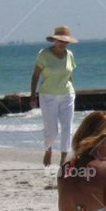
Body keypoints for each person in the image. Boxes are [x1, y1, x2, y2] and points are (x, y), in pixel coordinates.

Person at [30, 26, 78, 167]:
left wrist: (74, 90)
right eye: (60, 40)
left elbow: (69, 75)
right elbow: (35, 76)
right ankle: (48, 149)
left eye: (66, 41)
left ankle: (64, 159)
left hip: (67, 95)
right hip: (47, 95)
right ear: (55, 40)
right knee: (52, 130)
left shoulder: (69, 55)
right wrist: (33, 96)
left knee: (67, 127)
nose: (63, 43)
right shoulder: (44, 54)